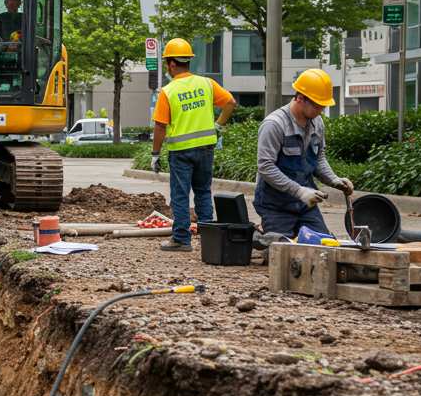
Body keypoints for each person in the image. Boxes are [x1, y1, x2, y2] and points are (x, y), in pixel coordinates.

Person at [149, 38, 236, 251]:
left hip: (181, 152)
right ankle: (210, 241)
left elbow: (160, 127)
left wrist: (155, 154)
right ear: (188, 61)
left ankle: (181, 239)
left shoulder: (168, 92)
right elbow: (231, 103)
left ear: (170, 64)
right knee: (203, 192)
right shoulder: (207, 84)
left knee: (180, 195)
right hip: (206, 148)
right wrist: (218, 125)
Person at [253, 69, 354, 237]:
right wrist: (299, 191)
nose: (320, 110)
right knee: (281, 250)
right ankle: (259, 234)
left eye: (323, 106)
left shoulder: (317, 122)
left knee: (322, 246)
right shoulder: (274, 125)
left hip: (305, 206)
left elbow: (318, 159)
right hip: (275, 204)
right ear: (300, 98)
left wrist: (334, 180)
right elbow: (265, 167)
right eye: (317, 105)